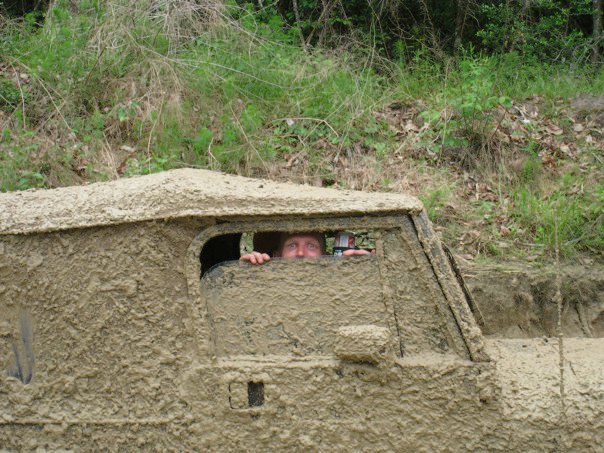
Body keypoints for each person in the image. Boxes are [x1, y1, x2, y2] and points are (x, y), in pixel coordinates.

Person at [240, 232, 371, 265]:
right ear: (276, 255)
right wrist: (245, 272)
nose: (301, 253)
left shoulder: (338, 285)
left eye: (311, 246)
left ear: (325, 256)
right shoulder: (264, 285)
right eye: (292, 245)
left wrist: (366, 271)